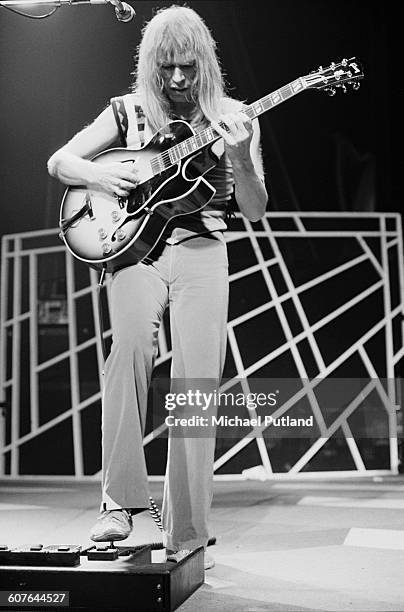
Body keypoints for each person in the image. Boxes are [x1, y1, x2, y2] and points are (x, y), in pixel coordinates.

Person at [47, 4, 267, 570]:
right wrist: (98, 174)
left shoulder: (235, 115)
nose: (176, 79)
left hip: (203, 248)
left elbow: (255, 208)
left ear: (205, 65)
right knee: (129, 353)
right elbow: (60, 161)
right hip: (134, 251)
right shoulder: (127, 112)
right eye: (166, 67)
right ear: (150, 64)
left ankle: (188, 526)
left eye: (188, 68)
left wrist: (240, 157)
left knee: (197, 381)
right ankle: (120, 504)